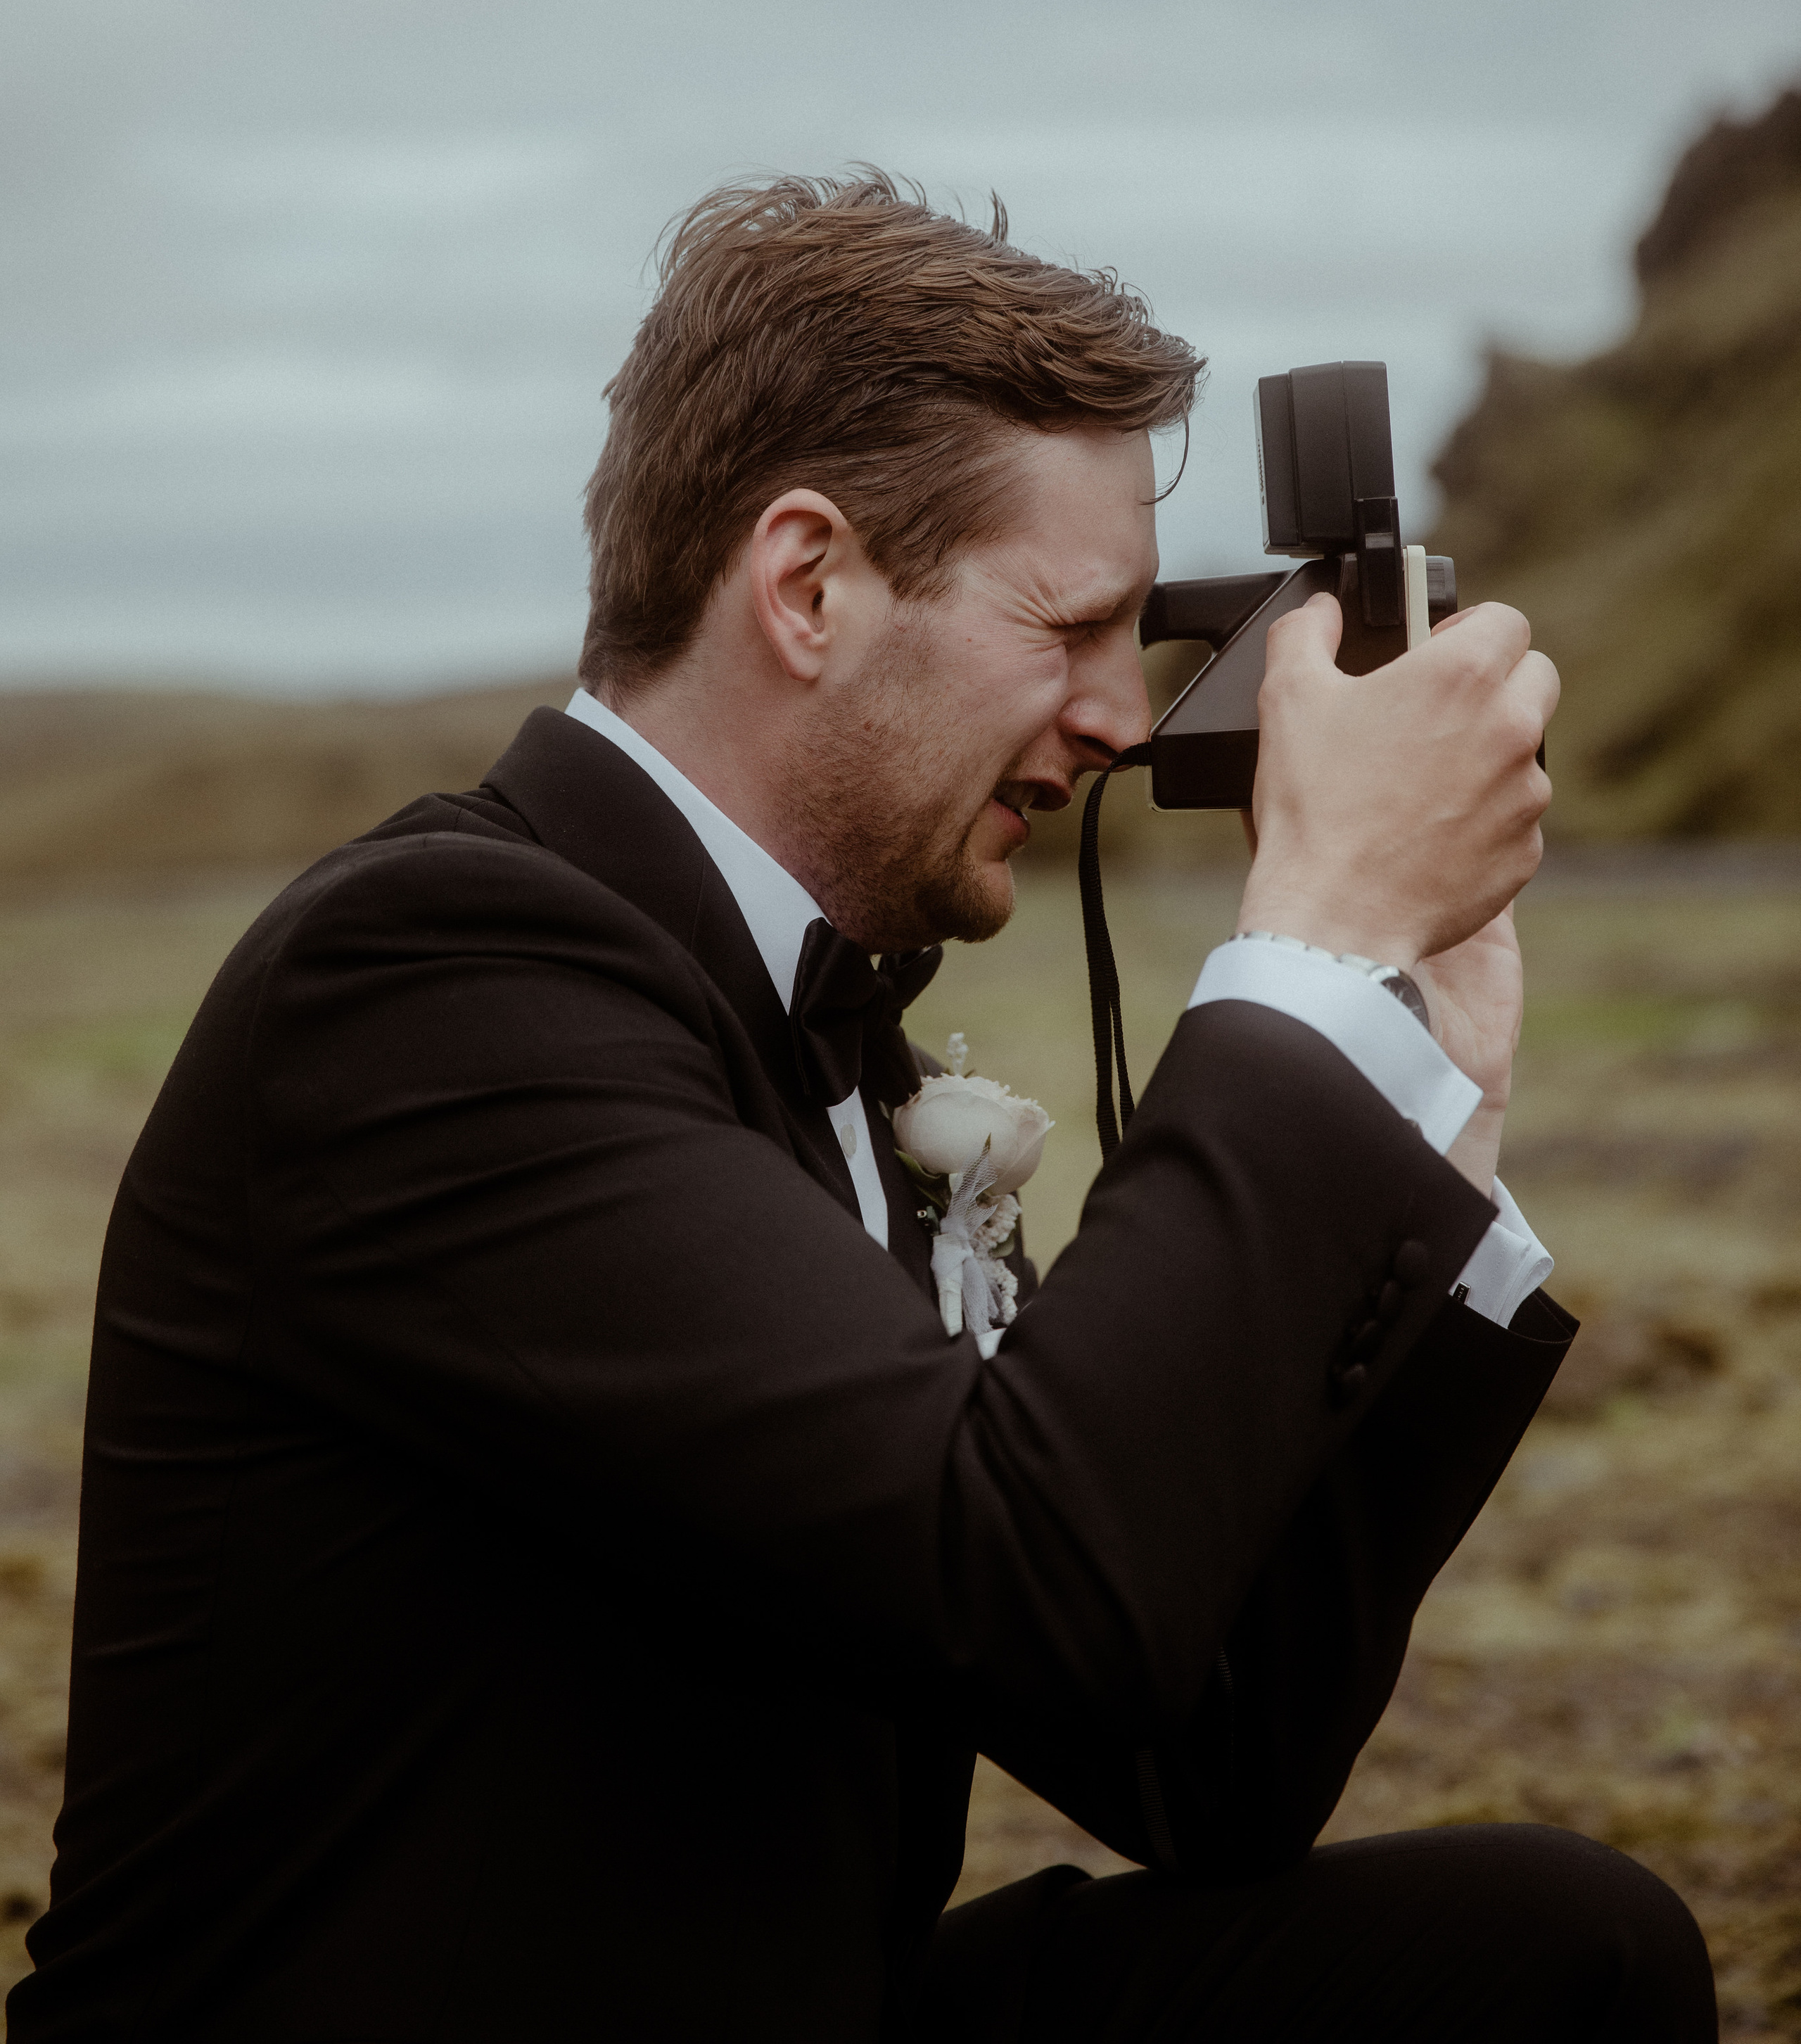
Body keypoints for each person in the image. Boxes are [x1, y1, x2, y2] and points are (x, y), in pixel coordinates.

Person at [8, 174, 1714, 2044]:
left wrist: (1431, 1102)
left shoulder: (831, 1033)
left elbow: (1200, 1757)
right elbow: (1030, 1564)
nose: (1118, 723)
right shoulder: (427, 982)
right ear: (808, 582)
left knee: (1557, 1949)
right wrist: (1309, 951)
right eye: (1068, 627)